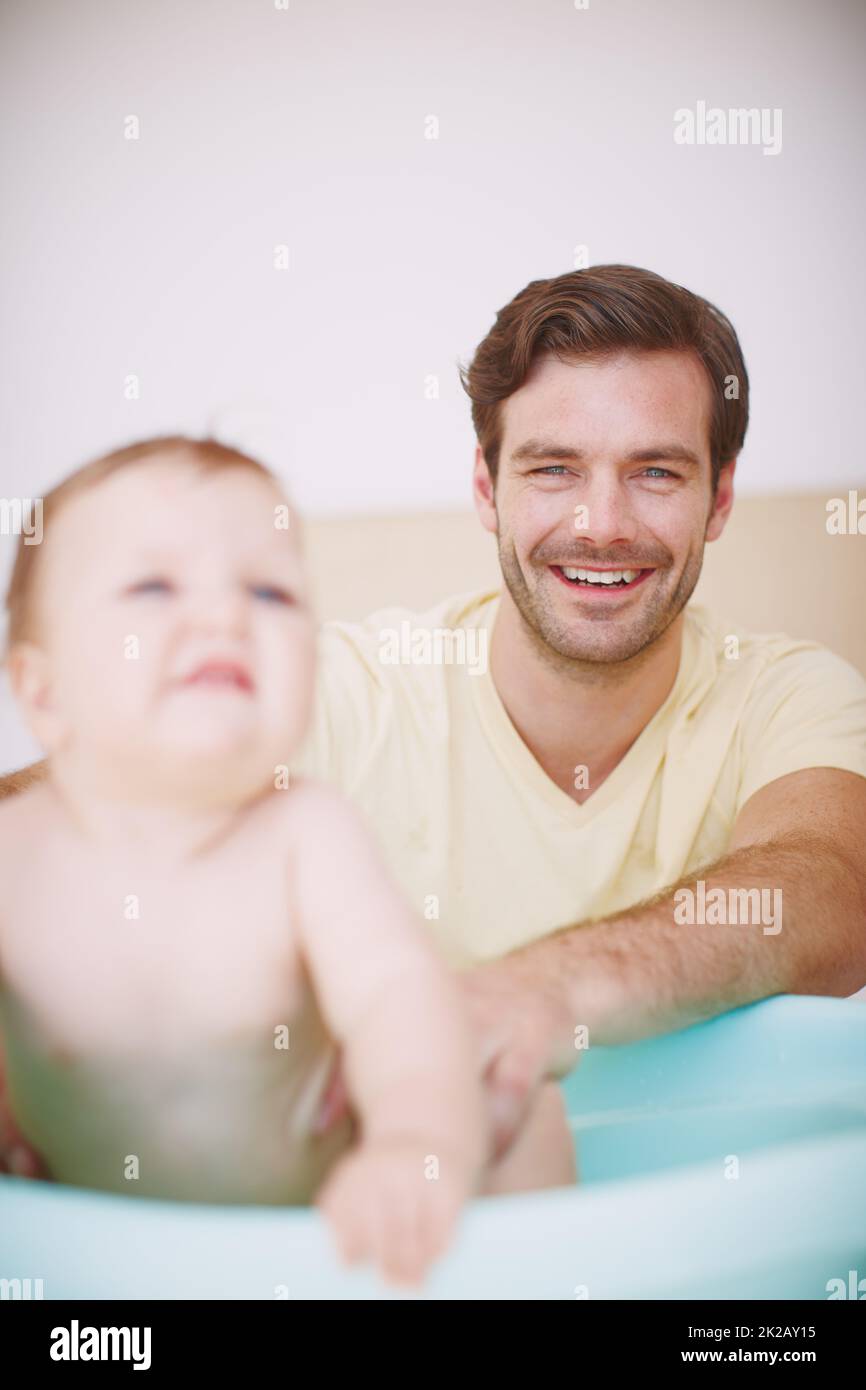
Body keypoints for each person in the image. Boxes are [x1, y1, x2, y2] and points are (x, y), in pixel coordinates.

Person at [3, 264, 865, 1178]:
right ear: (488, 490)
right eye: (553, 469)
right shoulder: (328, 696)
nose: (602, 523)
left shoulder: (788, 695)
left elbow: (832, 889)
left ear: (719, 499)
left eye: (656, 471)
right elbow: (55, 825)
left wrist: (538, 990)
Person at [0, 437, 575, 1288]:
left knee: (528, 1116)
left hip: (331, 1242)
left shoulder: (306, 836)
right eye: (154, 586)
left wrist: (415, 1144)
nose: (224, 617)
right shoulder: (16, 861)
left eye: (269, 591)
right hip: (107, 1261)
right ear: (43, 694)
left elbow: (397, 1003)